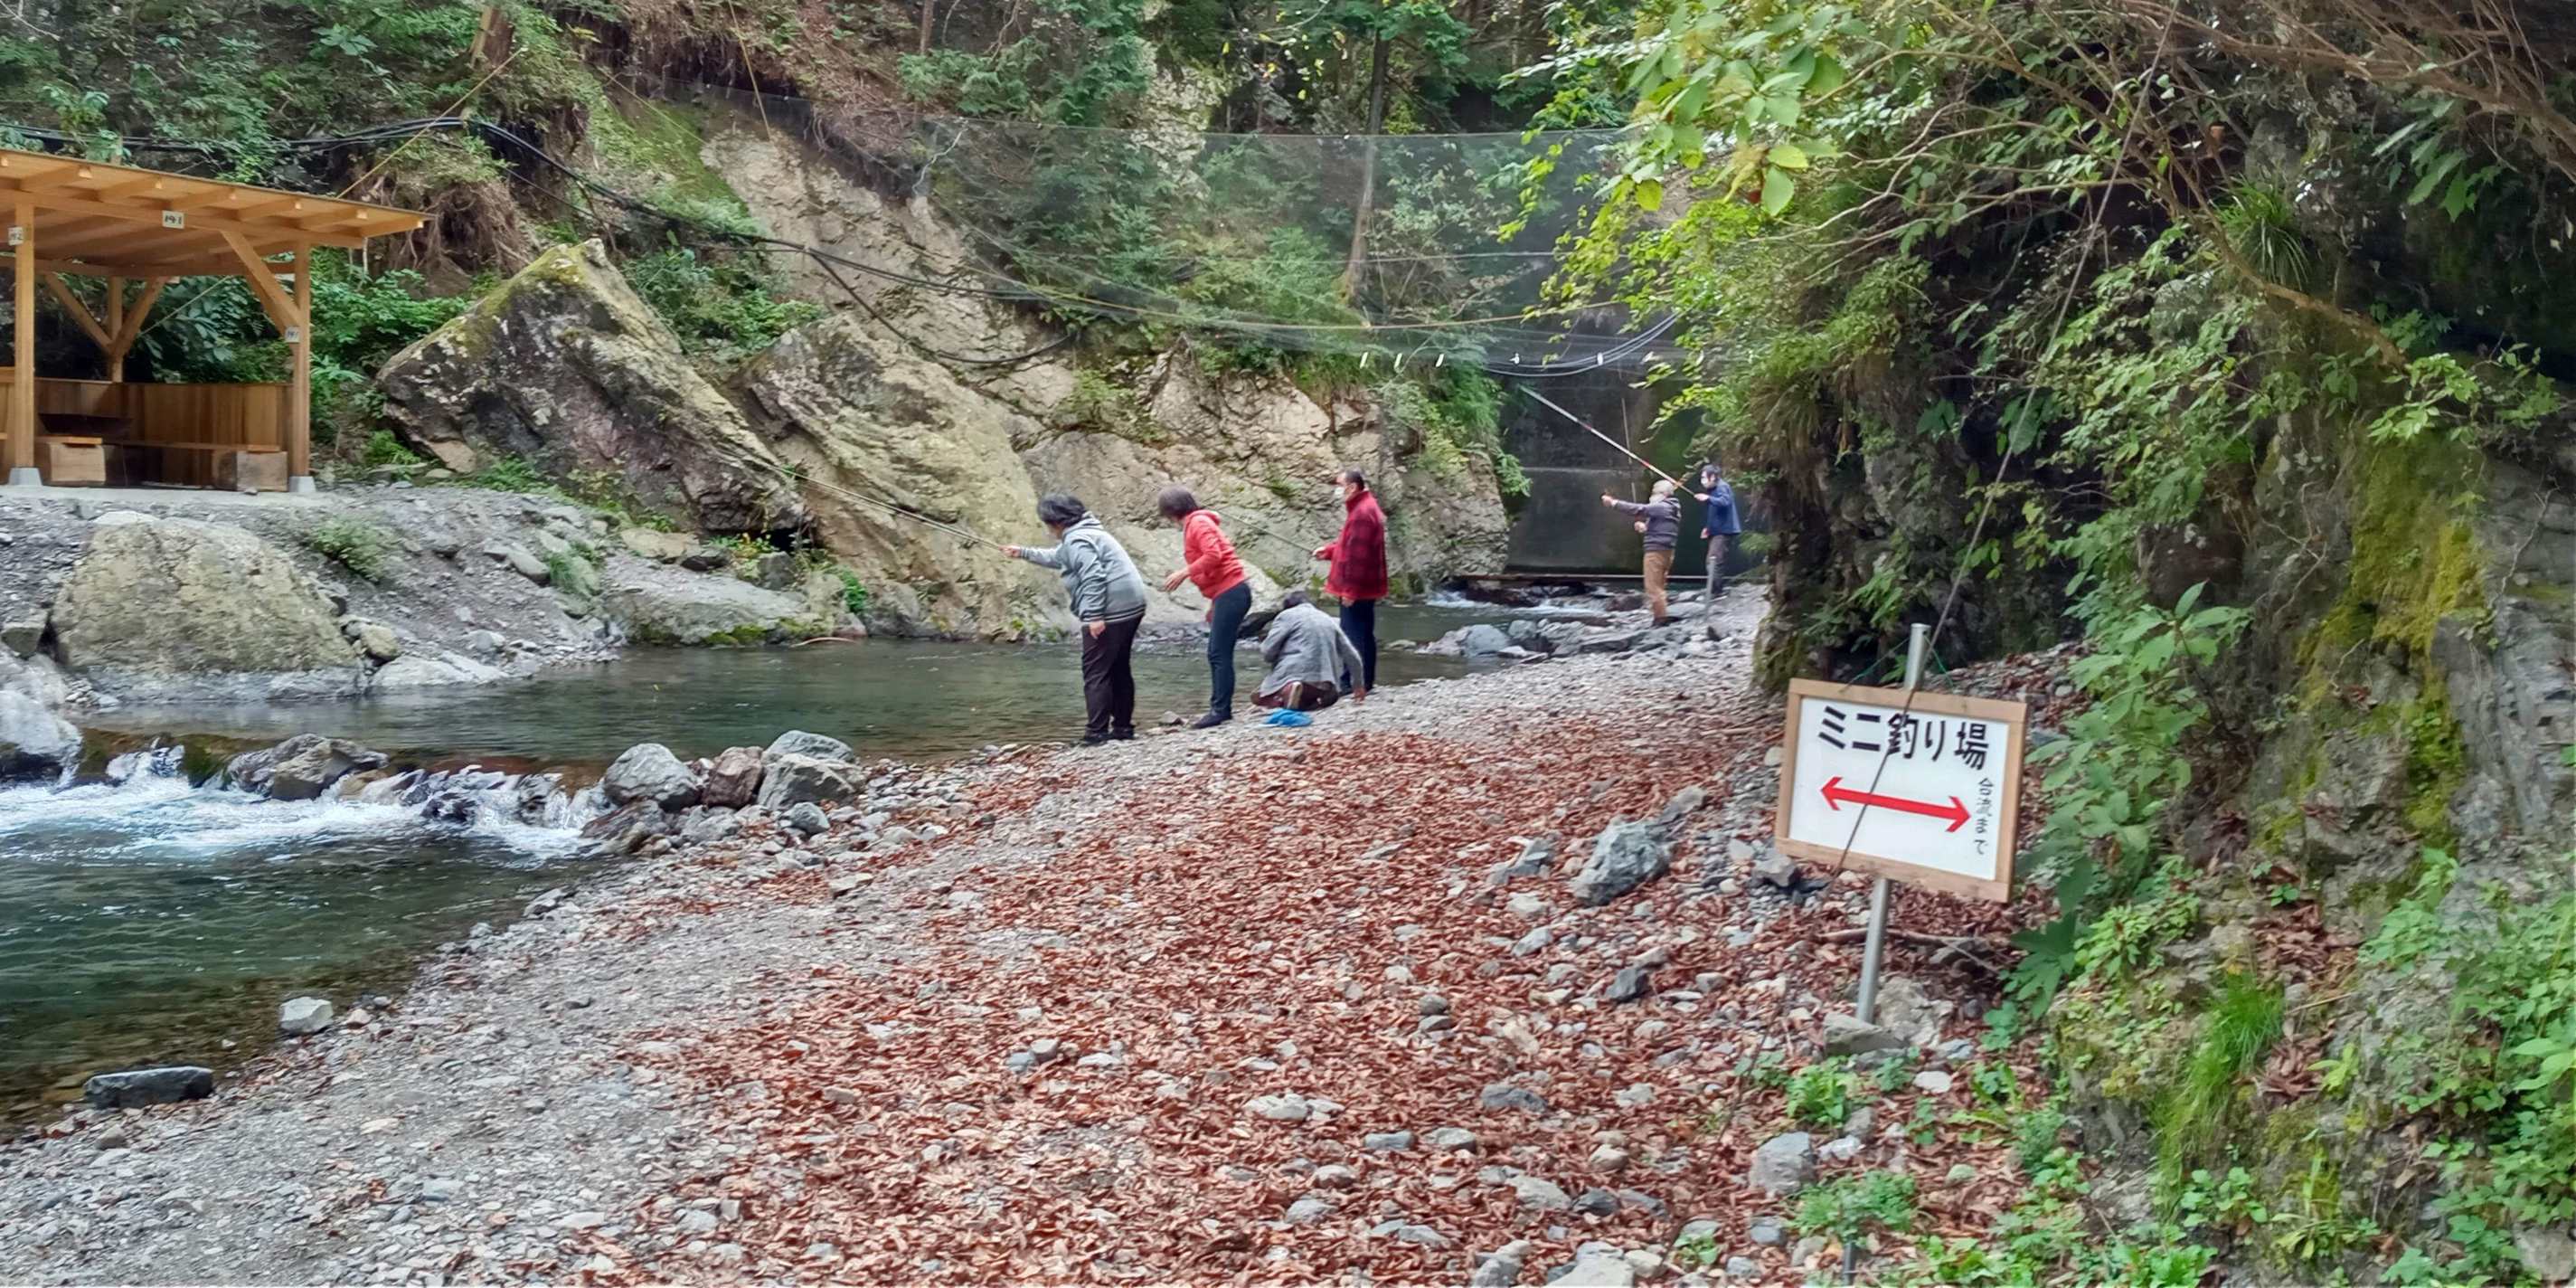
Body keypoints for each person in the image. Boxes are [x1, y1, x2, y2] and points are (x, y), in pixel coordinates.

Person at [1004, 494, 1149, 744]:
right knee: (1118, 667)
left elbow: (1093, 576)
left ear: (1056, 522)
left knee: (1096, 671)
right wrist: (1023, 553)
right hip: (1132, 604)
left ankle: (1096, 733)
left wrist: (1094, 616)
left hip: (1112, 609)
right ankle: (1123, 728)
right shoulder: (1088, 531)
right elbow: (1060, 557)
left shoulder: (1077, 539)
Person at [1156, 486, 1250, 728]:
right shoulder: (1198, 522)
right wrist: (1214, 603)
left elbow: (1214, 555)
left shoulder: (1198, 523)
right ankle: (1221, 708)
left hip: (1232, 592)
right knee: (1219, 652)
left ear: (1171, 512)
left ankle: (1220, 710)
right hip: (1228, 593)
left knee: (1218, 653)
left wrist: (1184, 573)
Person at [1314, 467, 1388, 690]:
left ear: (1353, 487)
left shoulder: (1362, 514)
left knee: (1352, 634)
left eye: (1339, 485)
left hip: (1358, 588)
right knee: (1364, 632)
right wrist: (1329, 551)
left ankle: (1352, 682)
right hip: (1366, 586)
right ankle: (1365, 680)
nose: (1337, 490)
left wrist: (1350, 591)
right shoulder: (1365, 507)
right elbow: (1349, 545)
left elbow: (1358, 557)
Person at [1255, 591, 1368, 712]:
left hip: (1294, 674)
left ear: (1288, 606)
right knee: (1317, 696)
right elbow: (1352, 655)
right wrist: (1358, 685)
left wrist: (1274, 657)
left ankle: (1288, 689)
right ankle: (1312, 697)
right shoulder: (1328, 619)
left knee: (1260, 697)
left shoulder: (1286, 615)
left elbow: (1268, 651)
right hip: (1326, 683)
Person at [1602, 478, 1683, 625]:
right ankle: (1661, 614)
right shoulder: (1672, 508)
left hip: (1655, 552)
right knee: (1659, 585)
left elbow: (1639, 509)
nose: (1652, 496)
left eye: (1654, 493)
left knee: (1652, 586)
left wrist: (1614, 503)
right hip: (1666, 551)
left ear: (1664, 494)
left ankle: (1660, 619)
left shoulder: (1663, 507)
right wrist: (1646, 528)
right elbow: (1663, 529)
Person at [1694, 459, 1741, 613]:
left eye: (1704, 477)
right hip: (1717, 530)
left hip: (1724, 531)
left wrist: (1707, 499)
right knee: (1713, 560)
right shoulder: (1714, 490)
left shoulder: (1722, 487)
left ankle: (1717, 592)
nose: (1702, 481)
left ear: (1713, 476)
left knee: (1714, 561)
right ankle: (1715, 590)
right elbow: (1715, 512)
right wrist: (1708, 528)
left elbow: (1725, 502)